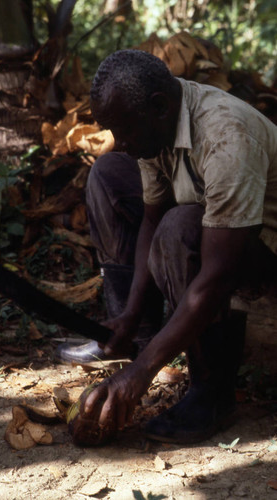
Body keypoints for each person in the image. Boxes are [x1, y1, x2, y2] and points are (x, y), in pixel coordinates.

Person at [56, 49, 277, 443]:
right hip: (216, 230)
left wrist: (142, 374)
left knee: (181, 228)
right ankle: (134, 336)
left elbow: (216, 276)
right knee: (107, 175)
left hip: (262, 250)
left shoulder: (227, 136)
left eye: (124, 132)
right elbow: (151, 218)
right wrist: (131, 312)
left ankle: (212, 394)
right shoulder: (154, 124)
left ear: (159, 107)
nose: (119, 142)